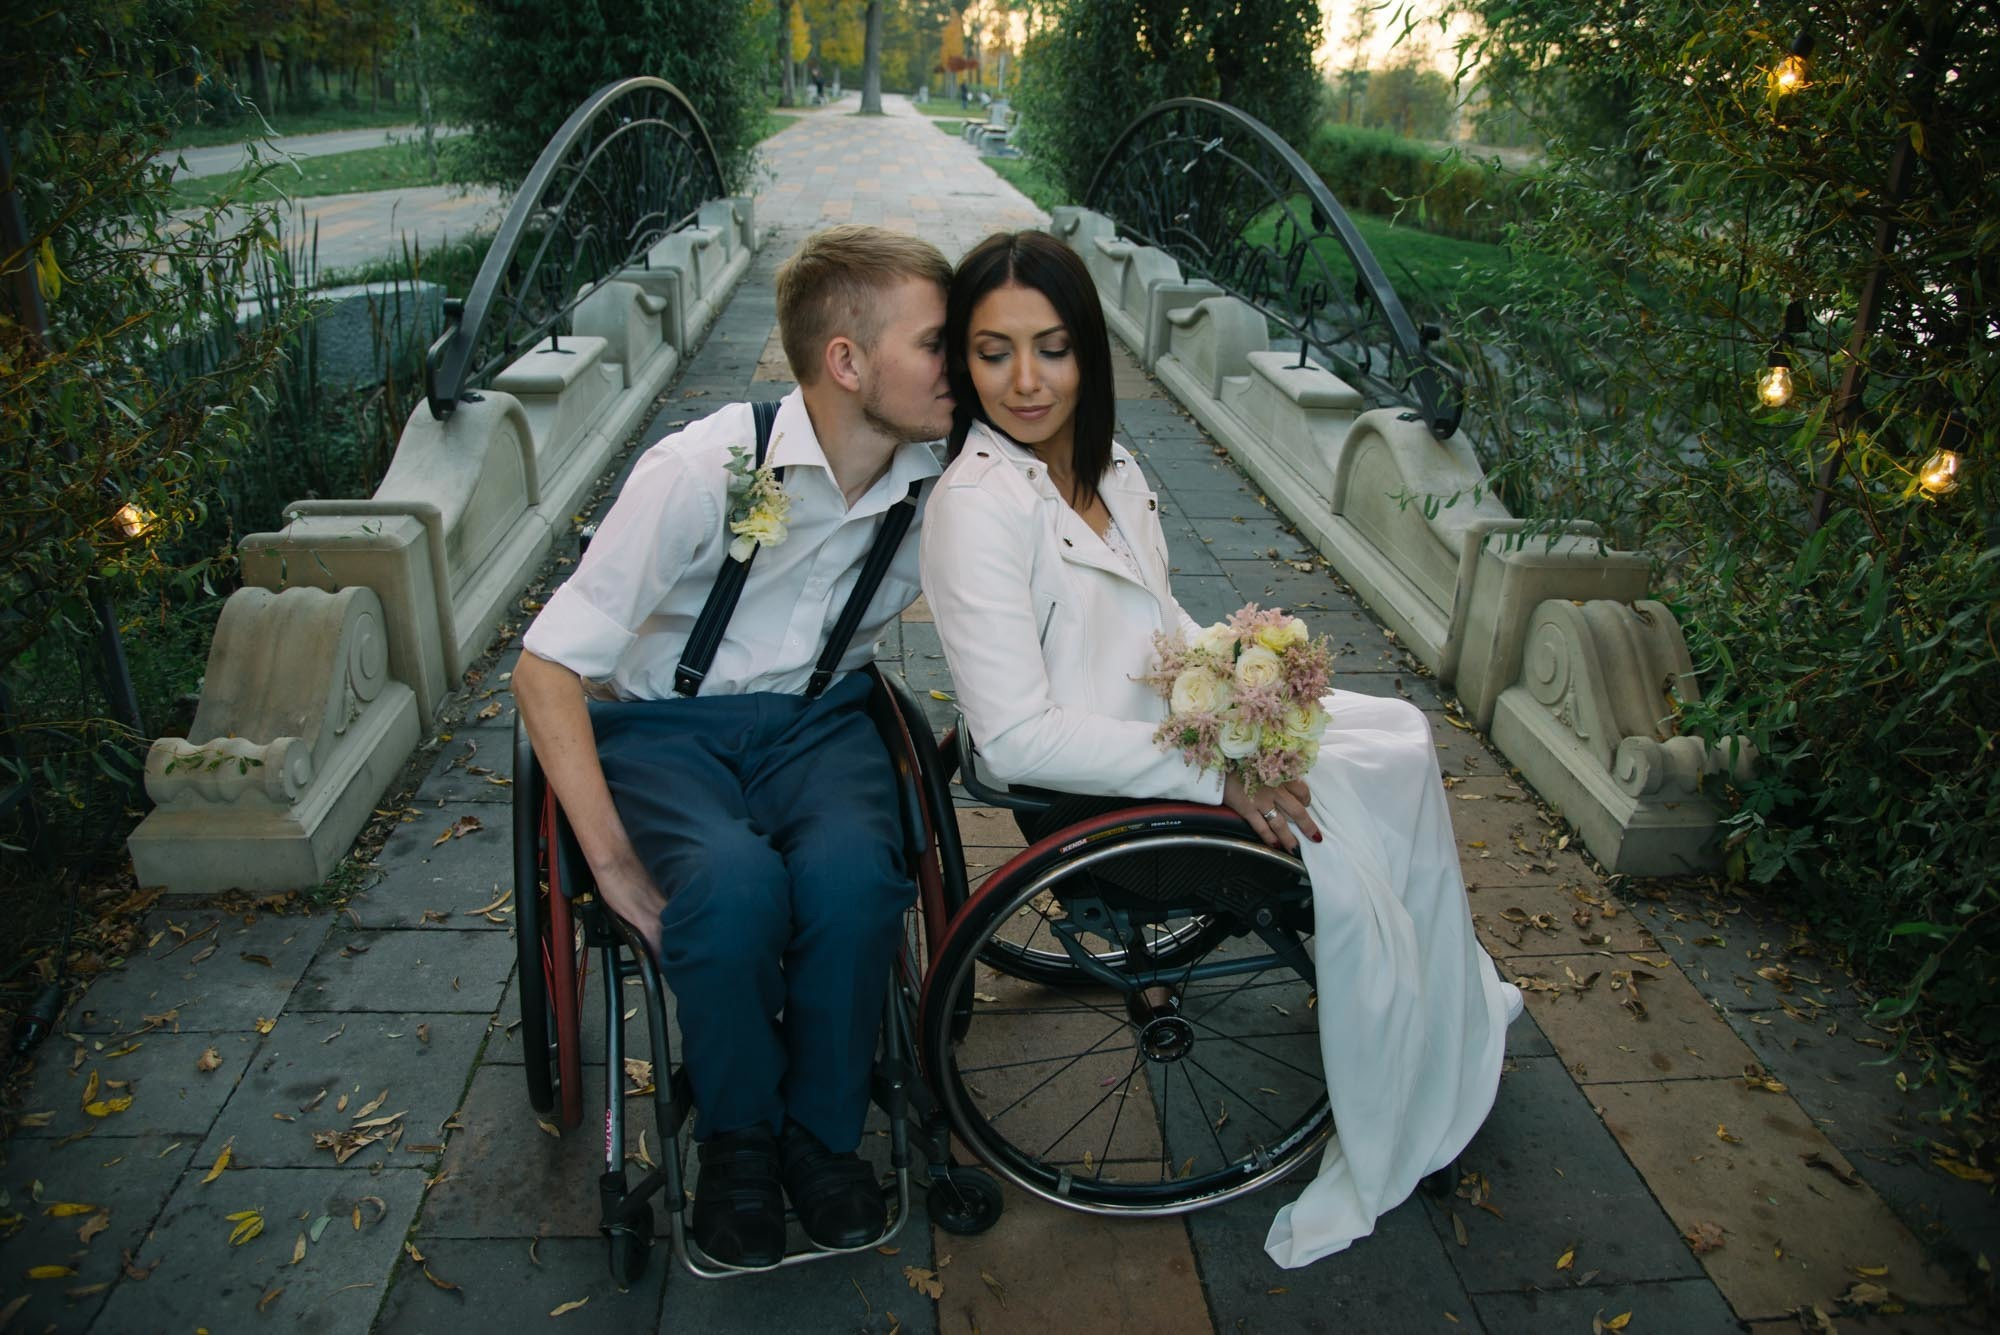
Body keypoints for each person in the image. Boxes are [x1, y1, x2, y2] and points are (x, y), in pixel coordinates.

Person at [918, 230, 1523, 1268]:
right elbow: (1017, 736)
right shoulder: (976, 509)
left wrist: (1244, 674)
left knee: (1397, 732)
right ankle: (1403, 1010)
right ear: (962, 363)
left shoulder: (1107, 464)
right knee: (1379, 771)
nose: (1025, 381)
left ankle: (1426, 986)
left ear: (1087, 352)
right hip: (1108, 794)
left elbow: (1157, 624)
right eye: (993, 351)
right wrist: (1221, 765)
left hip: (1178, 734)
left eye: (1052, 348)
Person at [513, 224, 954, 1270]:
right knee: (730, 887)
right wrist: (612, 865)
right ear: (846, 361)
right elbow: (546, 667)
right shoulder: (701, 468)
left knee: (854, 880)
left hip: (821, 722)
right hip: (665, 730)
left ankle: (822, 1138)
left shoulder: (942, 483)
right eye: (938, 343)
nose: (962, 366)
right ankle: (739, 1140)